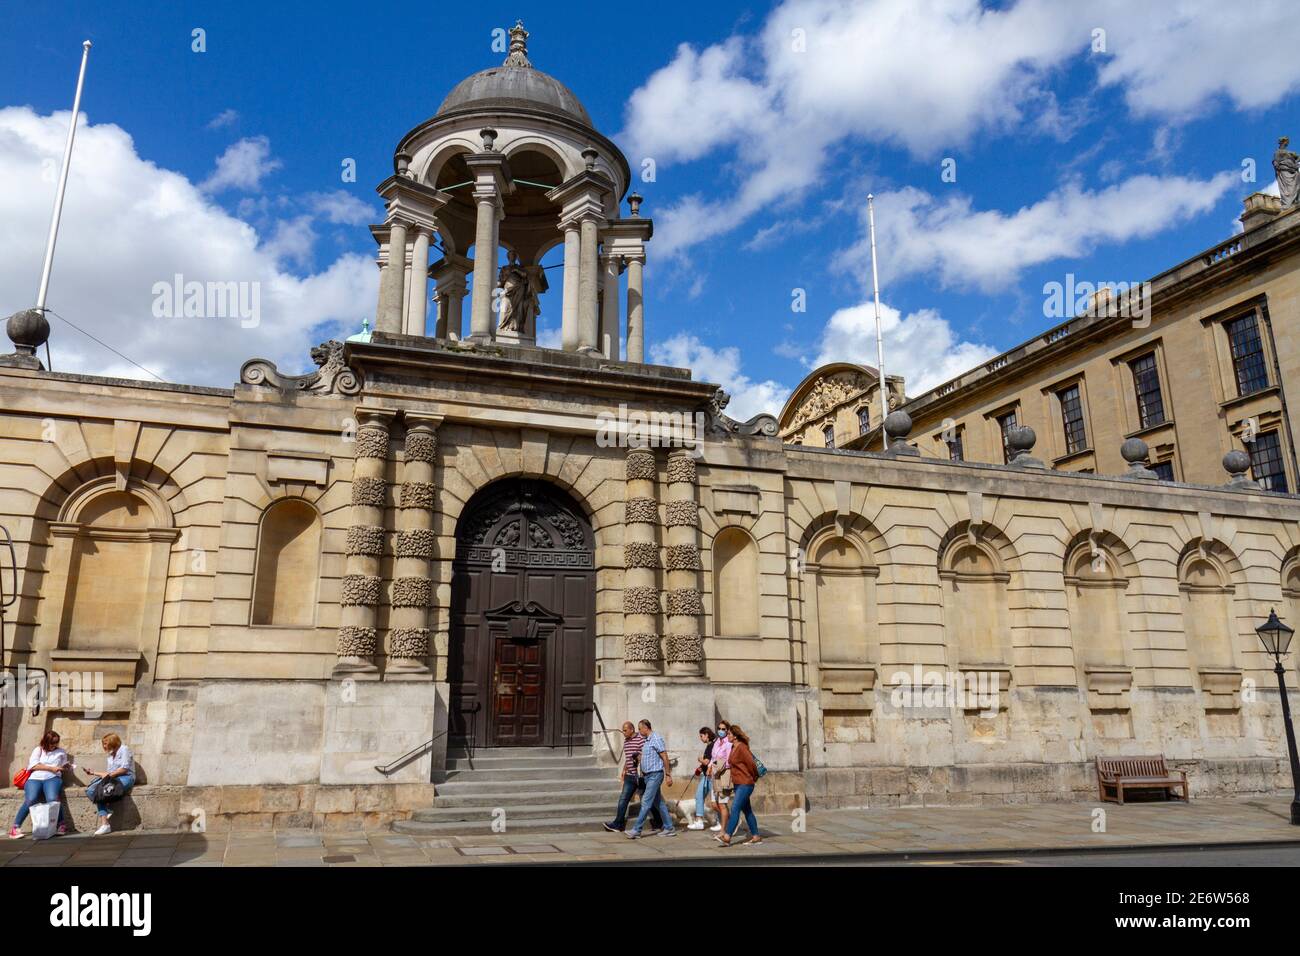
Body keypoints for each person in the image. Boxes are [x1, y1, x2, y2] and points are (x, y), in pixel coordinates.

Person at [10, 731, 71, 839]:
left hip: (53, 778)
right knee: (31, 799)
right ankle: (15, 828)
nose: (54, 745)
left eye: (56, 743)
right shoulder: (38, 750)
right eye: (52, 743)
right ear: (46, 742)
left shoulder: (61, 752)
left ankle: (61, 825)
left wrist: (66, 767)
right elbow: (33, 766)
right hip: (35, 778)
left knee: (52, 798)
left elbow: (62, 766)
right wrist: (51, 768)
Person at [604, 721, 661, 832]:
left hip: (642, 777)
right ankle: (618, 824)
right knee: (623, 799)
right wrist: (624, 769)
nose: (623, 732)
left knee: (649, 800)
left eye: (625, 730)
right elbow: (628, 758)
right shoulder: (626, 742)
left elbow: (646, 754)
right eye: (623, 730)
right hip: (630, 777)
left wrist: (639, 759)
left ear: (631, 729)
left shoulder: (641, 739)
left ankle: (659, 822)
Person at [626, 718, 675, 839]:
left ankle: (637, 830)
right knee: (659, 803)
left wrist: (668, 774)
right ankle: (669, 827)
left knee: (646, 802)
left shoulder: (656, 738)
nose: (638, 731)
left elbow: (664, 756)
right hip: (648, 776)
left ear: (645, 728)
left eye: (639, 728)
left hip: (655, 775)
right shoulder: (646, 741)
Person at [716, 724, 761, 847]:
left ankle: (727, 836)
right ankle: (756, 836)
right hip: (738, 783)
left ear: (735, 736)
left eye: (729, 734)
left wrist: (754, 776)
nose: (727, 735)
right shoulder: (733, 747)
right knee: (747, 811)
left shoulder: (742, 747)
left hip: (745, 783)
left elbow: (751, 763)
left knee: (735, 809)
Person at [86, 733, 136, 835]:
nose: (104, 746)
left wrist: (109, 777)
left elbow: (124, 769)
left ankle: (105, 824)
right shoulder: (110, 756)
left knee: (102, 791)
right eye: (103, 744)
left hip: (126, 777)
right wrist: (93, 773)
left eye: (105, 743)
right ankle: (107, 811)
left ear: (112, 741)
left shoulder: (124, 749)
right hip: (113, 777)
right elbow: (108, 773)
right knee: (91, 791)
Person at [687, 727, 716, 830]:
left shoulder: (710, 746)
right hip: (706, 775)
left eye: (701, 736)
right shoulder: (710, 745)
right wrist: (700, 768)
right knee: (701, 797)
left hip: (708, 776)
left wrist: (700, 759)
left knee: (700, 796)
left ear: (707, 735)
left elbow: (707, 762)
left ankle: (700, 821)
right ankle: (701, 820)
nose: (700, 738)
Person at [709, 719, 733, 833]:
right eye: (719, 728)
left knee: (723, 804)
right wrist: (710, 766)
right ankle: (730, 821)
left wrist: (719, 766)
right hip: (714, 775)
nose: (720, 731)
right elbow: (713, 757)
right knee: (714, 804)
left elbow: (729, 761)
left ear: (727, 730)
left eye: (723, 729)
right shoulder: (717, 741)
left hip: (723, 775)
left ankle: (724, 830)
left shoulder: (729, 743)